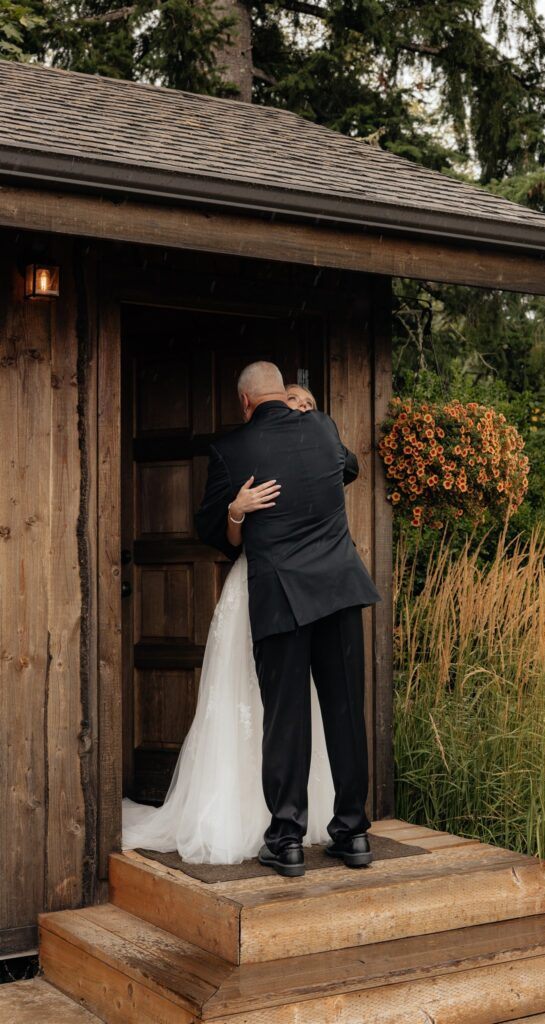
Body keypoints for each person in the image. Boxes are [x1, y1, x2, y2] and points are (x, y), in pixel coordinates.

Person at [121, 381, 334, 865]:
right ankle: (240, 812)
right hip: (254, 585)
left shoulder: (320, 452)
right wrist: (236, 510)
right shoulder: (240, 453)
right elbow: (223, 536)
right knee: (244, 692)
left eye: (307, 406)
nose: (298, 410)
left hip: (308, 593)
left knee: (297, 701)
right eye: (291, 401)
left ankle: (299, 814)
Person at [193, 361, 380, 877]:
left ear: (245, 402)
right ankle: (353, 833)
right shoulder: (324, 428)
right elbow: (347, 467)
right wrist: (311, 412)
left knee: (287, 716)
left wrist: (235, 509)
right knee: (345, 713)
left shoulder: (231, 451)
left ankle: (288, 839)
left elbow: (207, 528)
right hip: (340, 590)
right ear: (282, 394)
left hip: (282, 597)